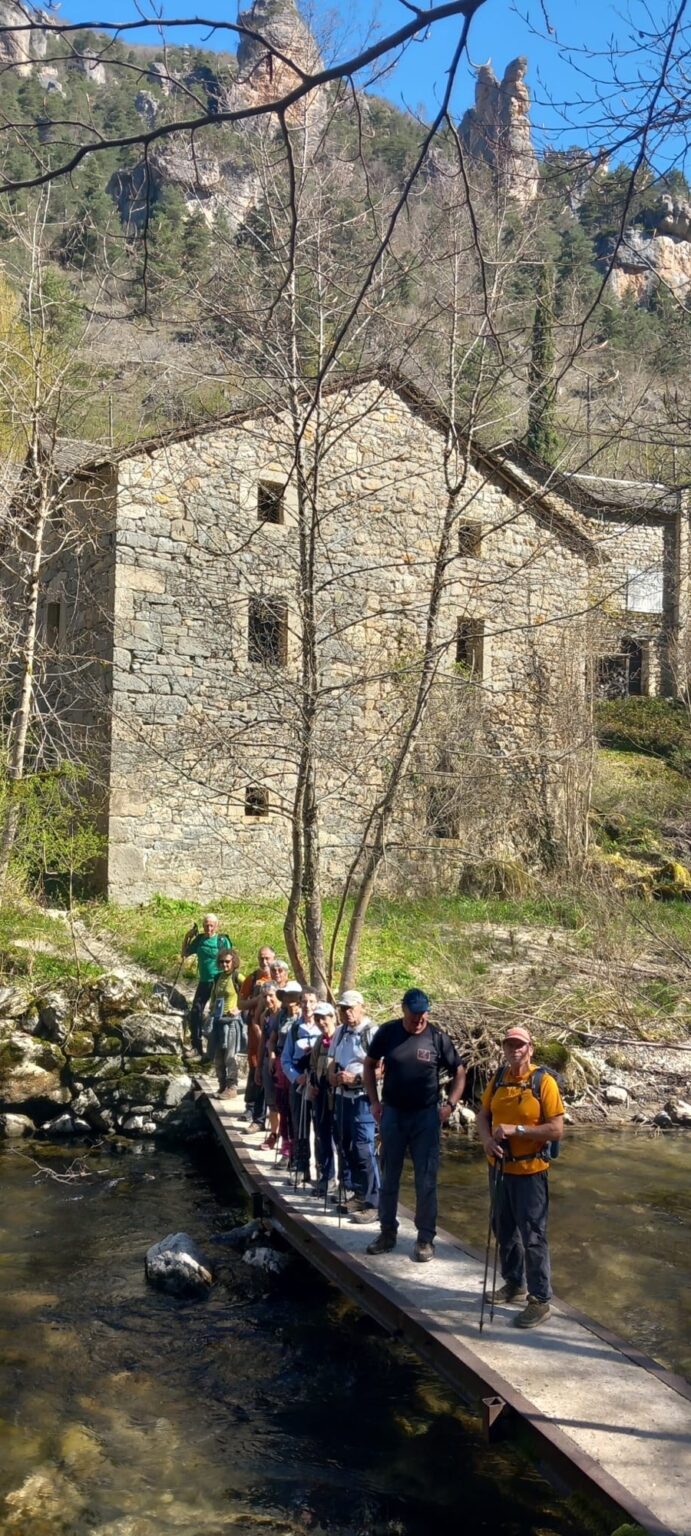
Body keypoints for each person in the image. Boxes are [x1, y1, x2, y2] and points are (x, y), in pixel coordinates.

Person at [363, 988, 465, 1262]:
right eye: (414, 1014)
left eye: (423, 1014)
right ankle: (387, 1232)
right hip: (393, 1115)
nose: (419, 1019)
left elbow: (459, 1071)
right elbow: (369, 1064)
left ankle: (425, 1239)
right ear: (403, 1009)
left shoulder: (437, 1037)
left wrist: (450, 1104)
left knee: (426, 1180)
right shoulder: (388, 1032)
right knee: (389, 1176)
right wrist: (374, 1102)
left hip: (425, 1117)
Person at [476, 1024, 564, 1329]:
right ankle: (514, 1283)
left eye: (520, 1045)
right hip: (499, 1168)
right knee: (503, 1228)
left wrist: (518, 1130)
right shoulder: (499, 1077)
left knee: (533, 1235)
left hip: (530, 1172)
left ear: (530, 1049)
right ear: (503, 1048)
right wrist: (487, 1141)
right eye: (509, 1045)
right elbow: (482, 1115)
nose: (514, 1050)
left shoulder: (543, 1082)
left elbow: (557, 1129)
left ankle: (539, 1299)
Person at [327, 990, 380, 1223]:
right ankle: (358, 1195)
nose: (346, 1012)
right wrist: (332, 1075)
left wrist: (356, 1079)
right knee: (345, 1145)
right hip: (341, 1097)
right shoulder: (340, 1032)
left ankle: (374, 1203)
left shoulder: (373, 1033)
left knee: (364, 1149)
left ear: (361, 1007)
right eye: (343, 1008)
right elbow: (331, 1059)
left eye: (350, 1008)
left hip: (362, 1098)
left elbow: (382, 1069)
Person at [281, 989, 322, 1182]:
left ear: (317, 1003)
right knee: (299, 1125)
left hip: (320, 1084)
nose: (308, 1006)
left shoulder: (325, 1026)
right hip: (299, 1083)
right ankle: (300, 1167)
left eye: (312, 1001)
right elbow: (285, 1059)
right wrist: (295, 1077)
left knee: (321, 1128)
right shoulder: (295, 1029)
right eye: (304, 1001)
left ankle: (323, 1171)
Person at [181, 914, 232, 1053]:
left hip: (219, 981)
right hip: (204, 981)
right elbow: (184, 954)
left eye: (211, 925)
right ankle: (196, 1046)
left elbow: (230, 960)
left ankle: (219, 1048)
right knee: (196, 1011)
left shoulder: (222, 940)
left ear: (217, 926)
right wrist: (187, 937)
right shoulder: (199, 940)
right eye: (206, 925)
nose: (209, 928)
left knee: (218, 1013)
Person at [307, 1001, 338, 1197]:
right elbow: (312, 1066)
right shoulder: (319, 1041)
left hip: (338, 1097)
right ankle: (326, 1178)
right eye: (317, 1019)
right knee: (322, 1137)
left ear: (333, 1017)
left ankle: (346, 1184)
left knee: (341, 1140)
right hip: (320, 1096)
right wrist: (312, 1084)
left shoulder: (341, 1038)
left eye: (324, 1018)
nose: (320, 1022)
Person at [207, 950, 245, 1098]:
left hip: (231, 1022)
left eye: (227, 962)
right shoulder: (217, 977)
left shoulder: (238, 977)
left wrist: (239, 1008)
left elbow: (249, 993)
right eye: (222, 962)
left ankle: (232, 1087)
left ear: (233, 962)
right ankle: (222, 1085)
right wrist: (211, 1008)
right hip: (218, 1020)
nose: (224, 964)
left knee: (230, 1055)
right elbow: (213, 996)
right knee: (218, 1056)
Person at [255, 984, 282, 1149]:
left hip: (281, 1060)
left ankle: (286, 1139)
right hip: (267, 1060)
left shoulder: (284, 1014)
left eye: (271, 995)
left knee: (283, 1101)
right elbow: (263, 1041)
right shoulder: (265, 1015)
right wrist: (258, 1067)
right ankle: (273, 1134)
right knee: (271, 1100)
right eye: (264, 996)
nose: (268, 999)